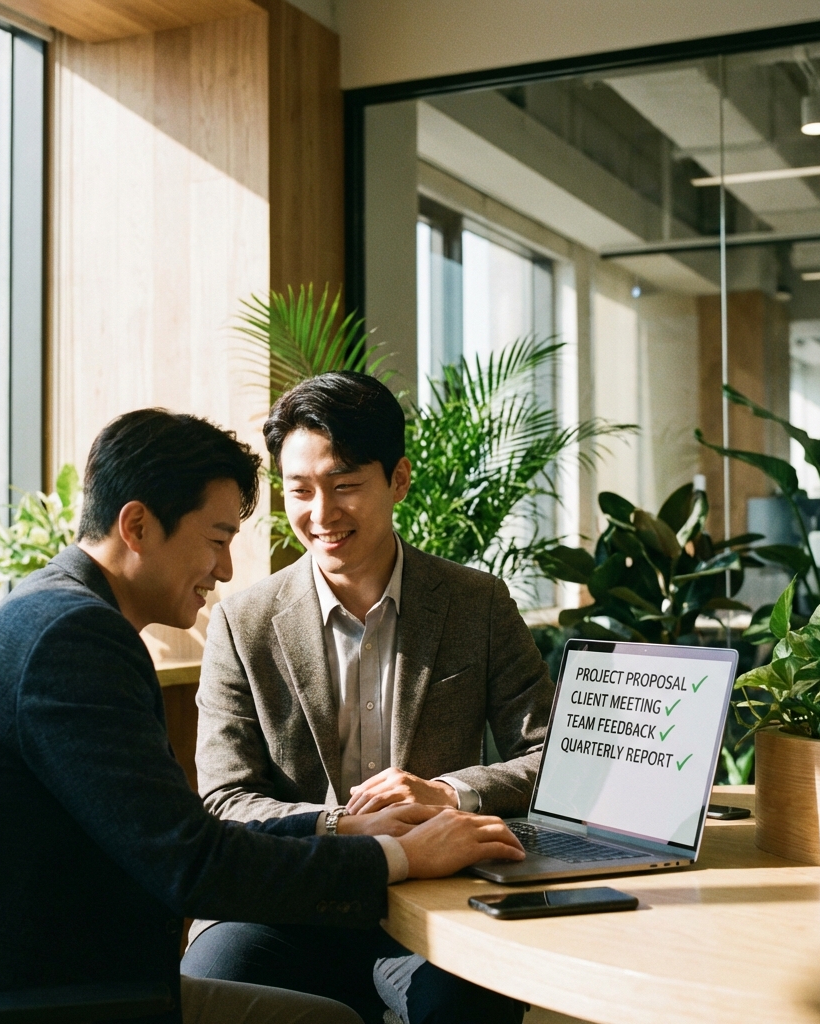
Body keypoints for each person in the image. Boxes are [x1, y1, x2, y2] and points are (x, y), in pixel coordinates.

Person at [0, 408, 525, 1024]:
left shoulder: (55, 612)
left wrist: (345, 828)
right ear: (137, 526)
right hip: (17, 993)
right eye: (217, 538)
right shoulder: (74, 640)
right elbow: (194, 864)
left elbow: (174, 840)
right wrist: (400, 856)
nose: (226, 567)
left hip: (22, 970)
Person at [185, 373, 554, 1024]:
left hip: (433, 898)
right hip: (289, 900)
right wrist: (348, 831)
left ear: (400, 480)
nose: (321, 515)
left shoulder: (477, 603)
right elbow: (223, 801)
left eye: (346, 485)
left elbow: (554, 756)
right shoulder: (242, 625)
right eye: (299, 490)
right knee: (213, 984)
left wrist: (451, 794)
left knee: (468, 1002)